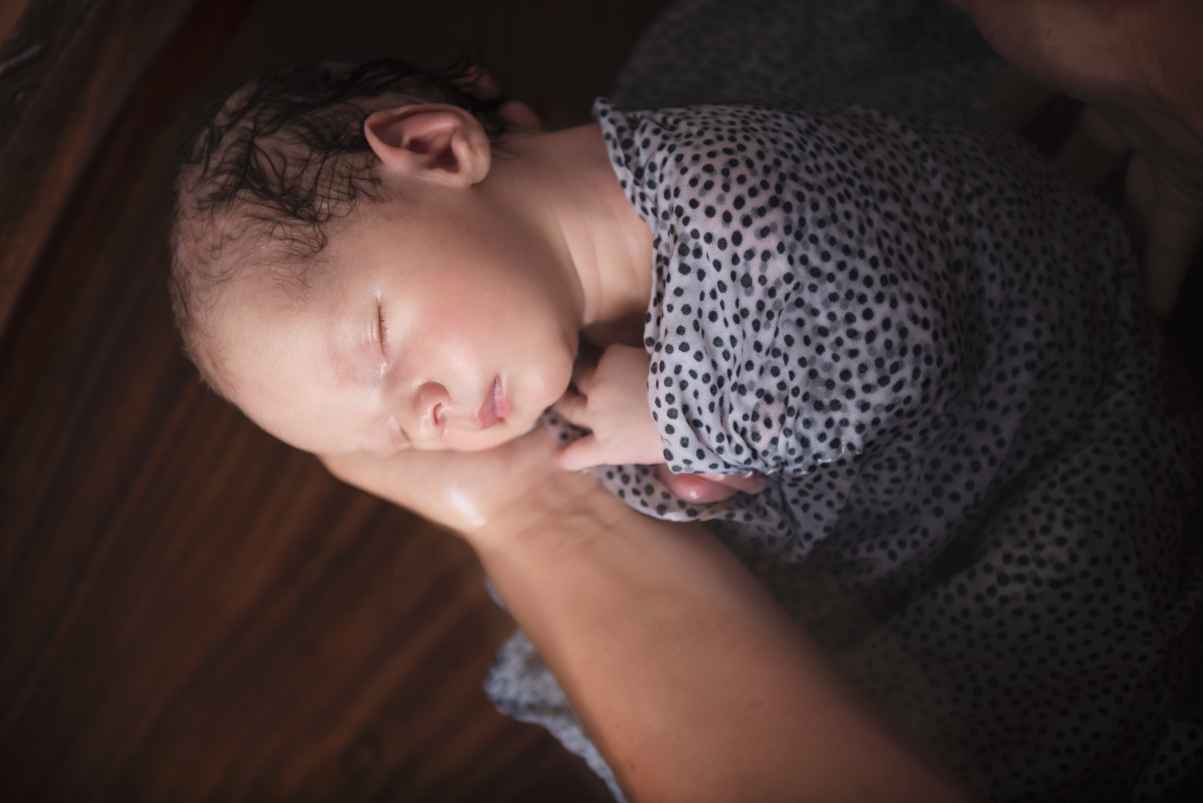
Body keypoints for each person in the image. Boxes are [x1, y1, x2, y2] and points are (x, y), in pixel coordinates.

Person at [166, 3, 1203, 796]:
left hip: (1040, 449)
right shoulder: (565, 304)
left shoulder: (741, 203)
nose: (428, 418)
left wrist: (679, 411)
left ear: (439, 148)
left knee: (1053, 701)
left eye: (383, 347)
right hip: (900, 500)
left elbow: (894, 338)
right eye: (394, 430)